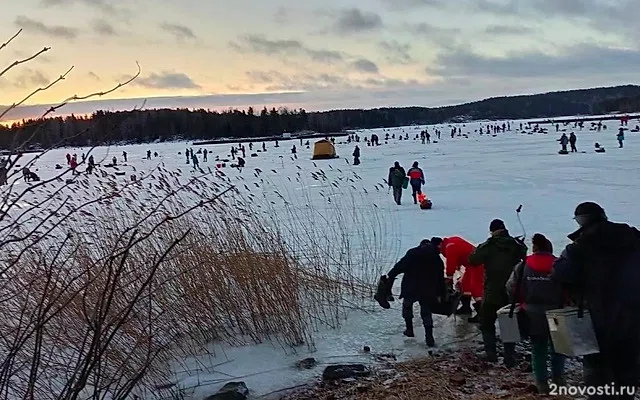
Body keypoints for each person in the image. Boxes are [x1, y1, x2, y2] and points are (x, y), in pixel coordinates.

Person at [552, 202, 640, 399]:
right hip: (633, 316)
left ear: (581, 221)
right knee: (627, 369)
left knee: (597, 372)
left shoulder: (580, 246)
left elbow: (561, 273)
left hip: (597, 317)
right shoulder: (634, 237)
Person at [507, 234, 566, 394]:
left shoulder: (523, 264)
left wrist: (521, 301)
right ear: (550, 249)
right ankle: (559, 381)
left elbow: (511, 287)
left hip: (532, 312)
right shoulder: (559, 265)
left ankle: (542, 384)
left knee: (538, 348)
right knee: (558, 347)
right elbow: (570, 288)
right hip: (557, 312)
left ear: (534, 249)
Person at [468, 219, 527, 366]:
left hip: (492, 290)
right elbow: (525, 255)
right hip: (511, 290)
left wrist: (485, 245)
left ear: (492, 231)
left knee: (486, 321)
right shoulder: (515, 244)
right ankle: (509, 356)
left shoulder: (490, 245)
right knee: (509, 321)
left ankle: (491, 353)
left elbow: (473, 259)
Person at [385, 239, 446, 347]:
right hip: (428, 289)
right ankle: (429, 338)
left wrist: (390, 275)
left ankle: (409, 330)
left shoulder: (412, 253)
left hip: (411, 287)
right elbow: (440, 278)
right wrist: (441, 293)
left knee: (407, 306)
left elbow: (400, 266)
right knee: (426, 313)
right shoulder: (436, 258)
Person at [431, 236, 485, 323]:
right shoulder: (452, 241)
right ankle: (466, 307)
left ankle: (482, 314)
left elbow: (450, 263)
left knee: (475, 288)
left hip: (478, 265)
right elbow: (460, 253)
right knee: (464, 285)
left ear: (439, 245)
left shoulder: (450, 246)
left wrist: (449, 278)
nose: (440, 252)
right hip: (470, 265)